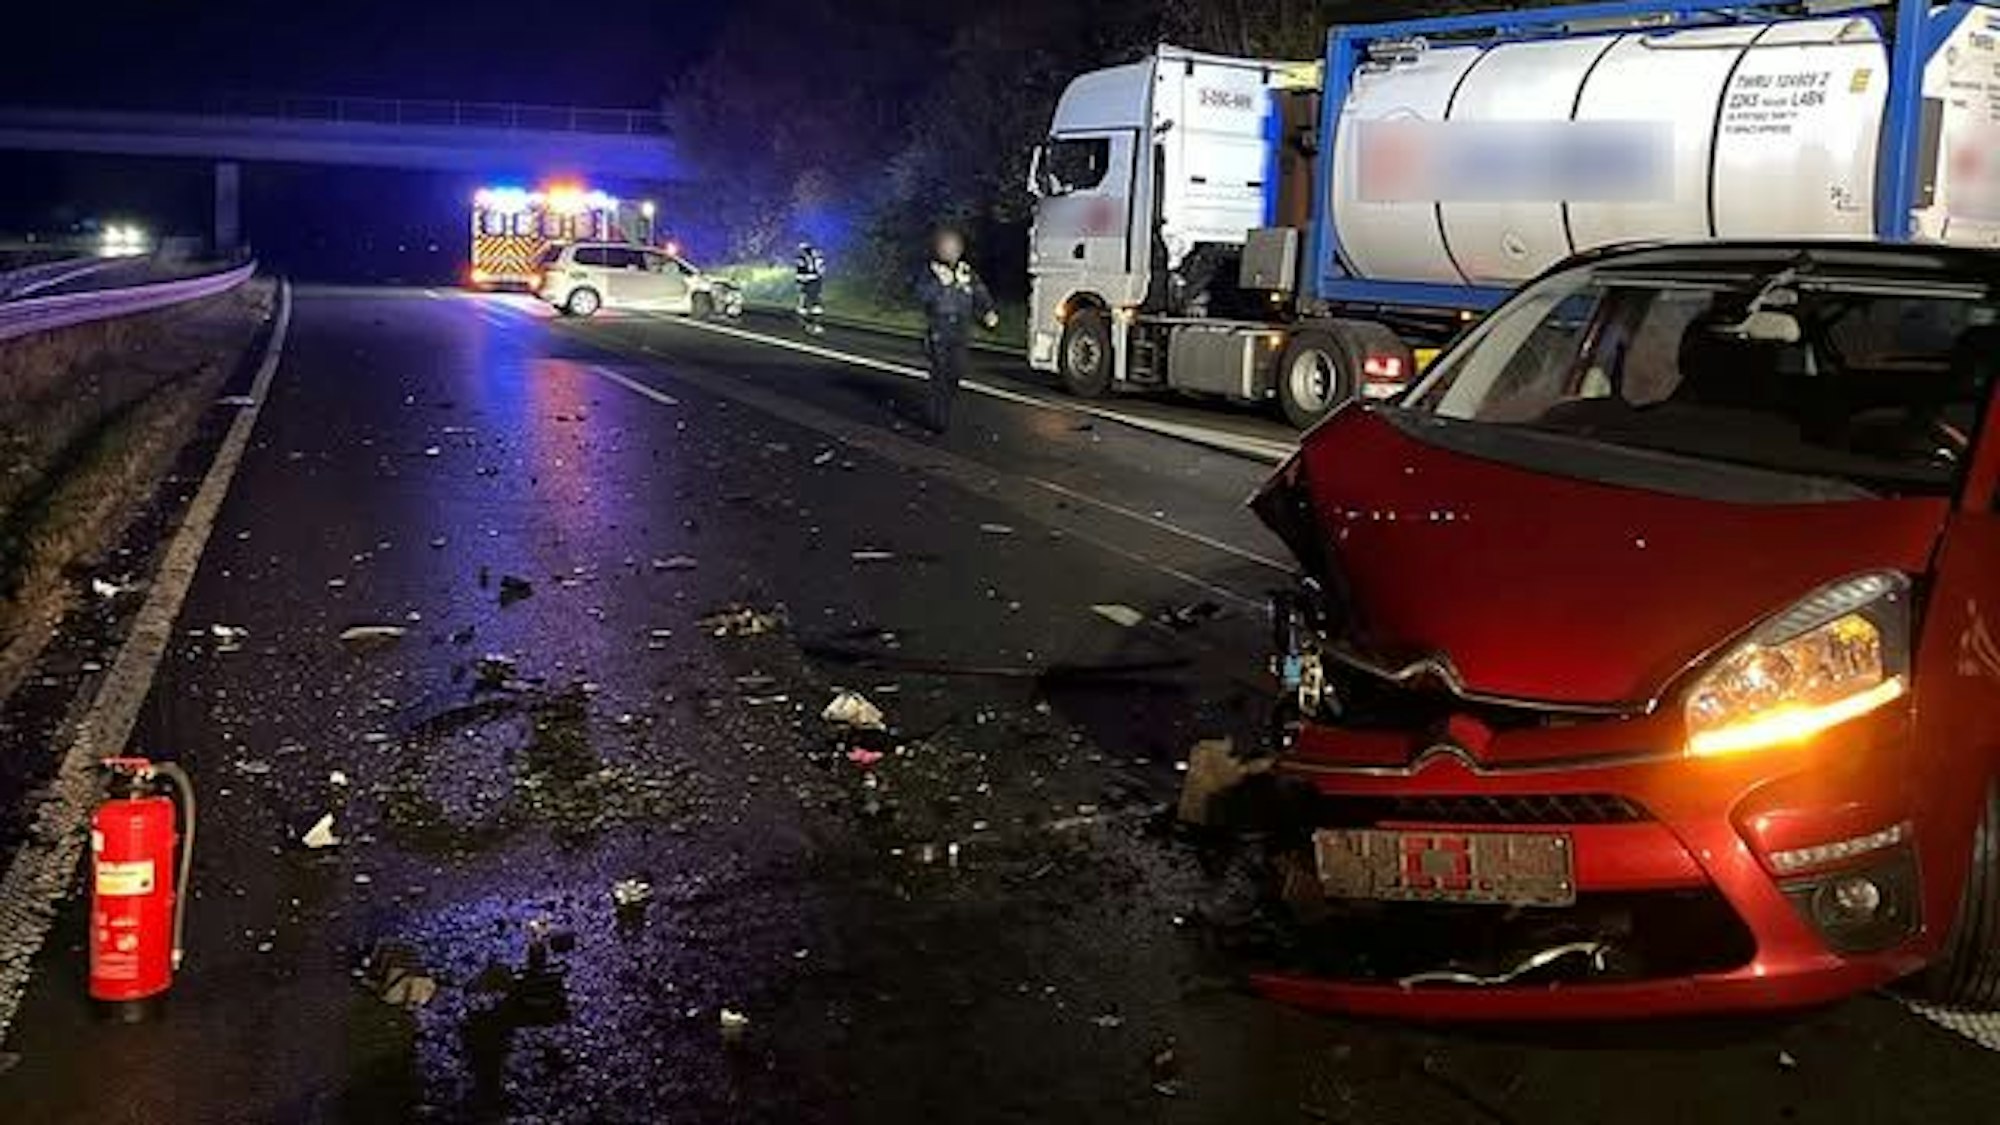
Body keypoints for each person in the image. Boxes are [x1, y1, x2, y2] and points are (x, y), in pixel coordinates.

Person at [913, 227, 998, 433]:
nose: (952, 251)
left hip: (961, 329)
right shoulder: (932, 271)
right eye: (947, 247)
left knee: (956, 373)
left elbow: (979, 290)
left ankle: (944, 409)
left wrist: (988, 310)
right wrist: (942, 285)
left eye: (955, 247)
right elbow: (922, 296)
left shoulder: (965, 271)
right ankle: (937, 420)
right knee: (940, 376)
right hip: (939, 330)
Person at [794, 241, 826, 335]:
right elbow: (822, 270)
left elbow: (800, 272)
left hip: (807, 282)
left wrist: (799, 282)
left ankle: (807, 325)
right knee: (816, 304)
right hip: (816, 281)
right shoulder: (818, 256)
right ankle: (816, 325)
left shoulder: (801, 258)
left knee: (804, 304)